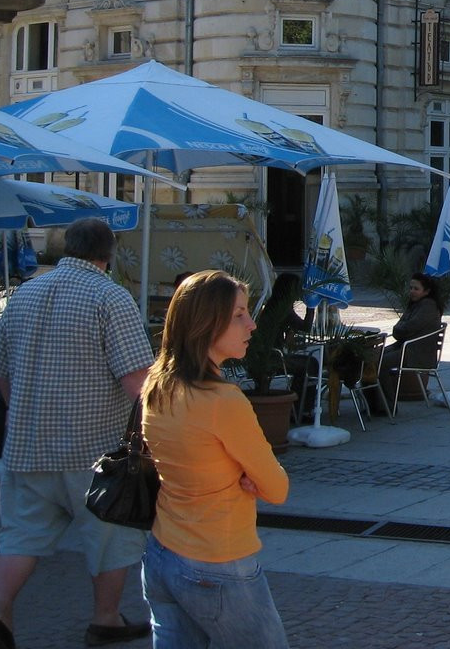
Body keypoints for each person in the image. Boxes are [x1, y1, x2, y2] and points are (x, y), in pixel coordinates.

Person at [0, 216, 155, 649]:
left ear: (65, 248)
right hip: (94, 449)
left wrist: (19, 409)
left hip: (27, 444)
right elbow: (137, 381)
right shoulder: (110, 297)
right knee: (110, 536)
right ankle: (106, 618)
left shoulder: (25, 294)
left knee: (20, 534)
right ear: (108, 254)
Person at [140, 270, 289, 649]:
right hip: (217, 559)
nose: (252, 324)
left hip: (162, 551)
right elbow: (276, 488)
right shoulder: (223, 401)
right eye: (239, 314)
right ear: (206, 324)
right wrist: (248, 476)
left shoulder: (157, 385)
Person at [375, 273, 443, 415]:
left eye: (416, 288)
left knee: (381, 363)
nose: (412, 291)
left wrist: (400, 331)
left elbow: (409, 326)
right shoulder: (414, 305)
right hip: (405, 347)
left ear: (426, 291)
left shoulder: (428, 306)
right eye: (411, 288)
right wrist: (400, 330)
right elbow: (400, 327)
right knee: (371, 358)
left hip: (416, 353)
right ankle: (375, 404)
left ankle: (388, 406)